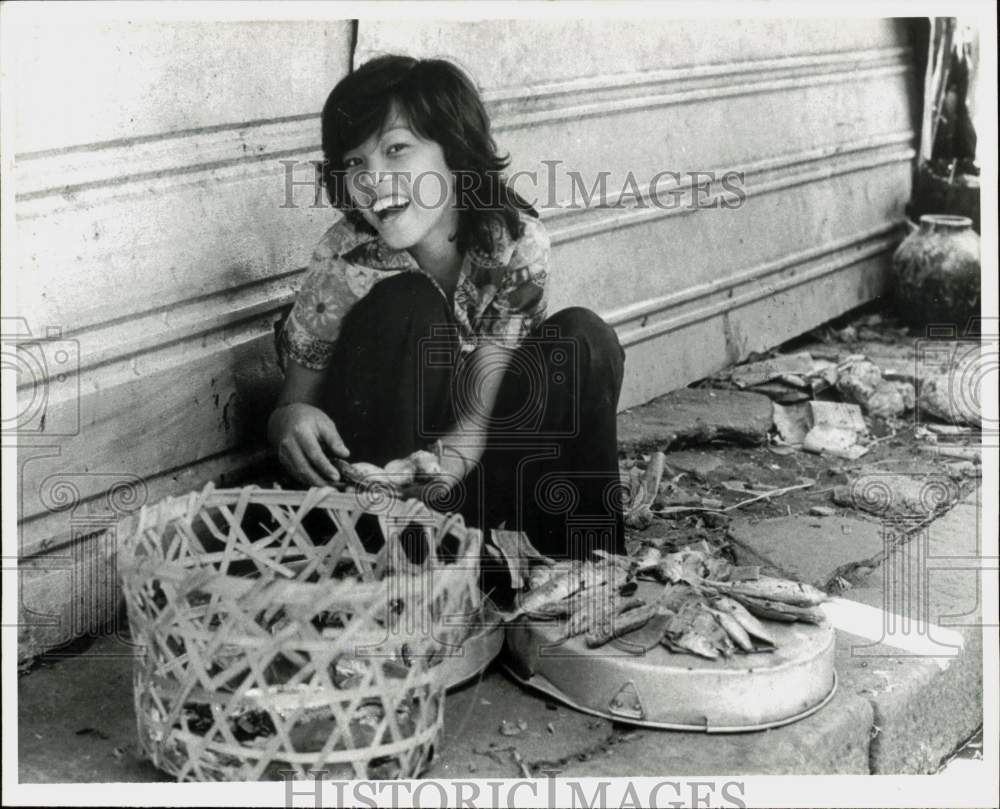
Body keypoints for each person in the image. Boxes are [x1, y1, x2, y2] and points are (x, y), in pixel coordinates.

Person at [269, 54, 626, 558]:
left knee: (583, 339)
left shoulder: (515, 245)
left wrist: (439, 479)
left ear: (454, 154)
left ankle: (584, 570)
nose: (374, 179)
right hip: (375, 492)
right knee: (409, 302)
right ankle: (398, 568)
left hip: (457, 474)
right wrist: (292, 422)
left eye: (397, 150)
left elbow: (478, 420)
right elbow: (290, 405)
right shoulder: (342, 259)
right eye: (356, 163)